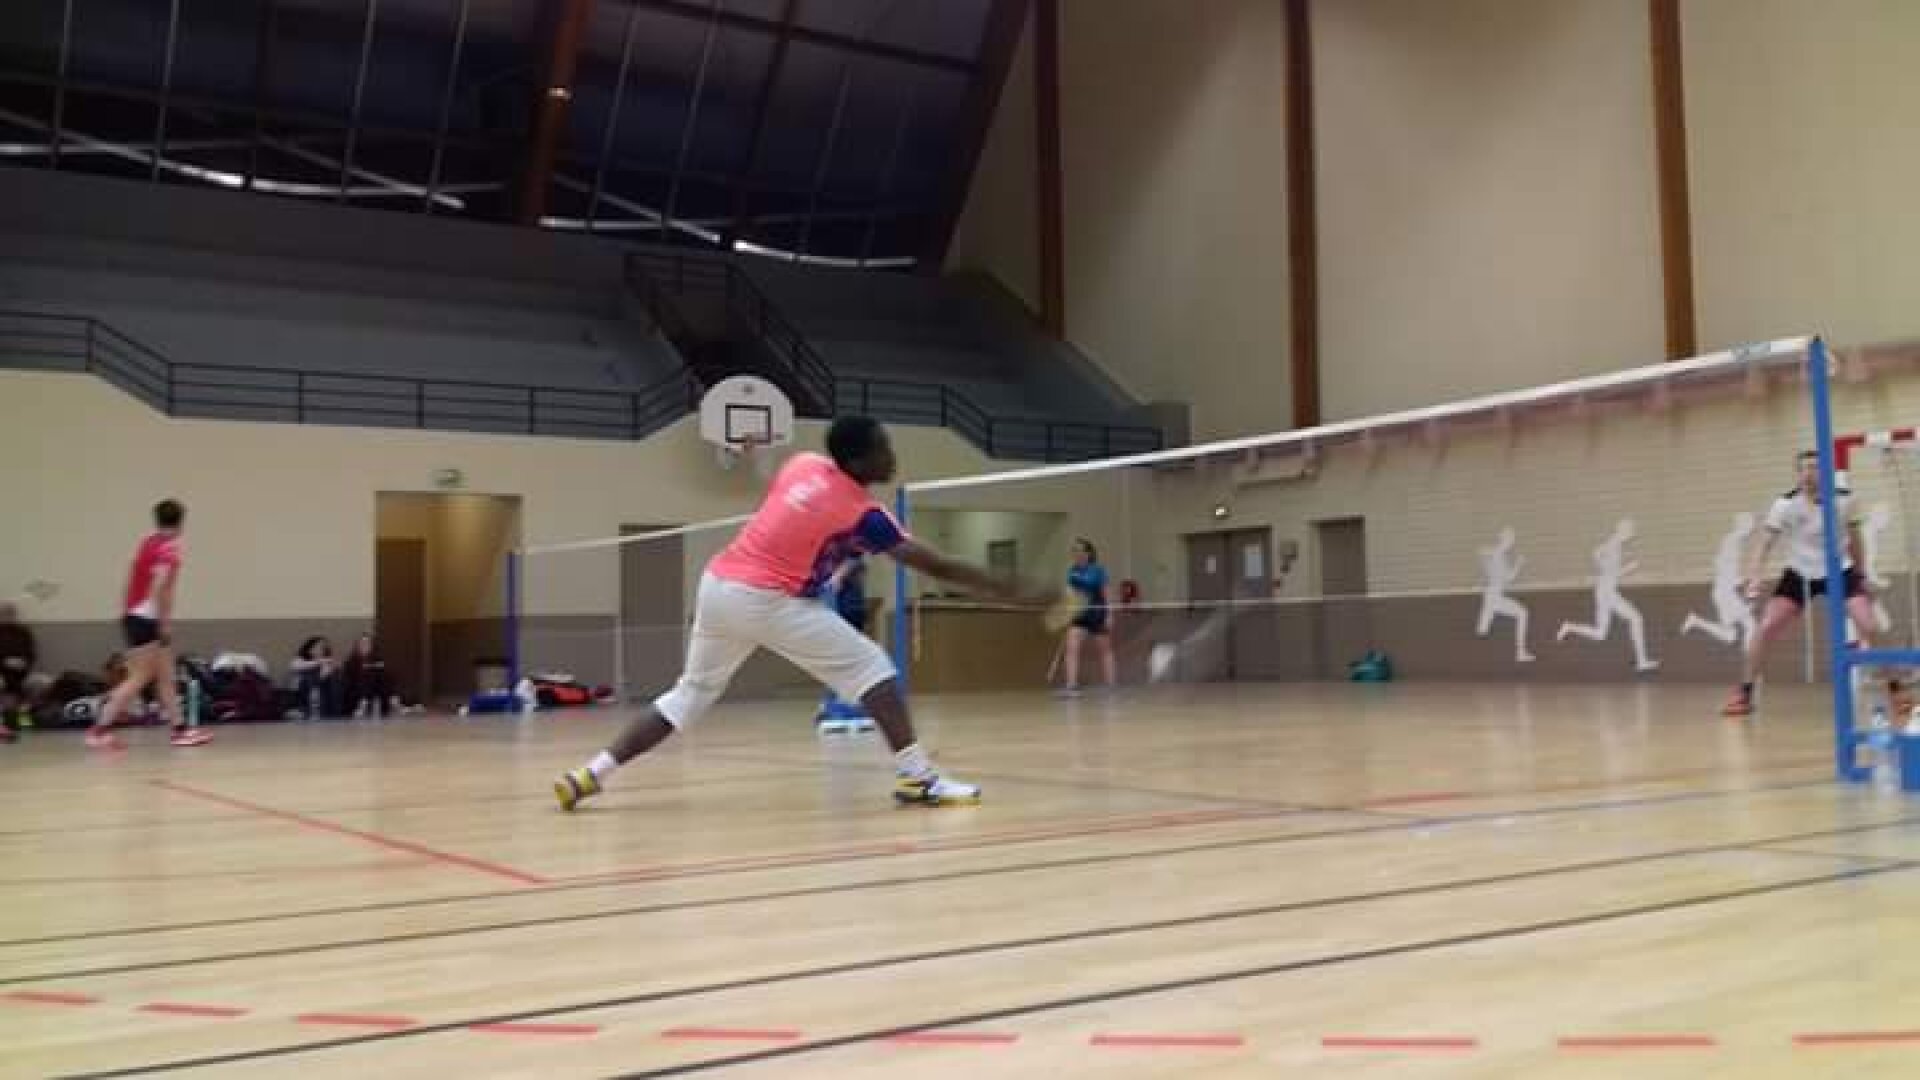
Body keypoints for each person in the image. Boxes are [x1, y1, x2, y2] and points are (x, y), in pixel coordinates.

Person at [554, 416, 1057, 810]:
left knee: (689, 695)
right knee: (874, 670)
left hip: (718, 586)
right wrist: (1008, 585)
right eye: (883, 448)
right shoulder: (864, 514)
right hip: (767, 599)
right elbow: (937, 565)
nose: (892, 456)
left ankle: (590, 774)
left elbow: (794, 505)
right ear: (858, 460)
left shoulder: (804, 465)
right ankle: (918, 778)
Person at [1724, 450, 1889, 717]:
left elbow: (1855, 540)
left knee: (1869, 625)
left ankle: (1895, 688)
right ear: (1797, 474)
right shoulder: (1784, 504)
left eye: (1814, 468)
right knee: (1766, 627)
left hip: (1840, 570)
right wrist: (1754, 576)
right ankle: (1745, 692)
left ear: (1826, 472)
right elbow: (1765, 544)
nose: (1808, 474)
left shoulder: (1845, 500)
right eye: (1803, 469)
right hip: (1800, 573)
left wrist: (1861, 575)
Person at [86, 499, 212, 749]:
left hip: (135, 616)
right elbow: (160, 588)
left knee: (166, 676)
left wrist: (127, 611)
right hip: (147, 619)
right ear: (181, 522)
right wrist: (163, 623)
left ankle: (179, 730)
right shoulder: (169, 549)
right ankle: (99, 729)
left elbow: (132, 576)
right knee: (140, 677)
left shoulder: (148, 543)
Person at [1058, 538, 1116, 695]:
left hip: (1097, 614)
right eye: (1074, 550)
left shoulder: (1098, 571)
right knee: (1071, 647)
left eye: (1079, 550)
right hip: (1080, 615)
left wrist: (1110, 615)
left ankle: (1110, 684)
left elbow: (1107, 593)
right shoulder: (1072, 571)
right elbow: (1070, 593)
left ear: (1088, 553)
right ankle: (1071, 685)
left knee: (1105, 650)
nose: (1075, 553)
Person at [344, 633, 401, 717]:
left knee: (383, 674)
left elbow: (384, 678)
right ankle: (364, 702)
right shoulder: (351, 662)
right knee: (367, 675)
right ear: (357, 646)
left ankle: (393, 698)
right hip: (356, 692)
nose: (365, 646)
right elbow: (348, 682)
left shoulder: (376, 659)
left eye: (367, 644)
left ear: (371, 646)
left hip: (374, 690)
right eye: (362, 643)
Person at [0, 602, 35, 741]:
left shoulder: (24, 633)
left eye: (11, 613)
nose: (8, 616)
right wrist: (5, 662)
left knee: (39, 683)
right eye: (5, 614)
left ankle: (23, 716)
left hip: (22, 671)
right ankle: (6, 720)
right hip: (2, 672)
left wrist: (24, 663)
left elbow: (31, 654)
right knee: (3, 683)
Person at [289, 635, 342, 719]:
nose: (321, 649)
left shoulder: (330, 666)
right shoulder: (301, 664)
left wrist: (327, 671)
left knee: (333, 678)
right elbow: (294, 666)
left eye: (323, 647)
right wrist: (320, 667)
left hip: (327, 705)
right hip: (306, 702)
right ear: (310, 649)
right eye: (318, 647)